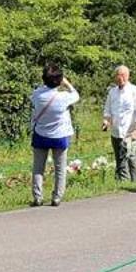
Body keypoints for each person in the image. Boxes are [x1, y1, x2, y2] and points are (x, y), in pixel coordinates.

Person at [29, 61, 80, 207]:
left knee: (38, 167)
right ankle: (57, 197)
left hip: (40, 134)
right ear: (59, 80)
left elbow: (35, 95)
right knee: (60, 168)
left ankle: (38, 197)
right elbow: (76, 95)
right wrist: (67, 83)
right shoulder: (63, 97)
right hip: (60, 136)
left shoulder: (37, 95)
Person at [100, 65, 136, 184]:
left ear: (128, 76)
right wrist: (106, 121)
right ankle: (122, 185)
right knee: (120, 159)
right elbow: (108, 110)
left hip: (130, 131)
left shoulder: (135, 91)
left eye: (123, 75)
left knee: (131, 157)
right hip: (116, 131)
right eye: (118, 75)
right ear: (115, 77)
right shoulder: (112, 92)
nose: (121, 78)